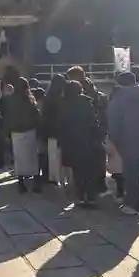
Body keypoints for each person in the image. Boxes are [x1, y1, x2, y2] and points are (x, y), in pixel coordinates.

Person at [108, 71, 139, 215]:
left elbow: (113, 122)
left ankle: (134, 204)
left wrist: (114, 140)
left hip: (127, 140)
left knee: (131, 174)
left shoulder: (118, 99)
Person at [59, 80, 101, 208]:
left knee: (77, 171)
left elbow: (61, 124)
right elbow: (94, 122)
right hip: (86, 140)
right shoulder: (86, 102)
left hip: (71, 141)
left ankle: (81, 197)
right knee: (89, 170)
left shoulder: (63, 103)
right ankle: (92, 197)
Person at [66, 66, 108, 194]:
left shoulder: (80, 90)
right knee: (98, 158)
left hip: (87, 130)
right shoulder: (93, 87)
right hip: (98, 129)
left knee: (86, 161)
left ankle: (89, 188)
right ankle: (100, 184)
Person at [4, 77, 42, 193]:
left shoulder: (11, 100)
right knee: (32, 157)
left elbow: (8, 118)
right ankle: (36, 182)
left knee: (19, 158)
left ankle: (21, 183)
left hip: (16, 132)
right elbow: (37, 116)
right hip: (30, 130)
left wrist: (7, 133)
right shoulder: (30, 99)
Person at [42, 74, 67, 185]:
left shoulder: (47, 98)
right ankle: (61, 178)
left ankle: (53, 177)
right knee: (62, 156)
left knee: (53, 156)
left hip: (50, 131)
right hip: (61, 131)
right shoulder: (62, 99)